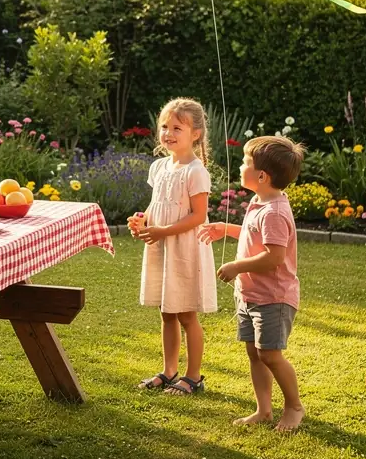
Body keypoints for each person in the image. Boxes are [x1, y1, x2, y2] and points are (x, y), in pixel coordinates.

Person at [199, 135, 305, 432]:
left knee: (270, 354)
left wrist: (236, 266)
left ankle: (295, 407)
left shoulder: (274, 212)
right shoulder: (260, 202)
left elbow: (273, 257)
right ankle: (264, 409)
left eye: (246, 161)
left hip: (273, 297)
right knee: (255, 353)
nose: (241, 165)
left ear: (261, 175)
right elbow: (253, 236)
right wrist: (227, 229)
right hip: (251, 294)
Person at [128, 97, 217, 396]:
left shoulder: (195, 171)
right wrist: (142, 221)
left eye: (177, 127)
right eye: (165, 126)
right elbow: (158, 205)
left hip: (184, 250)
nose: (168, 133)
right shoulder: (159, 167)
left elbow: (199, 215)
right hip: (163, 246)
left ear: (196, 134)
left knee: (186, 314)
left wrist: (164, 230)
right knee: (167, 312)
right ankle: (169, 371)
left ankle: (193, 377)